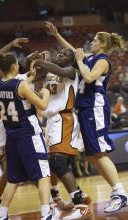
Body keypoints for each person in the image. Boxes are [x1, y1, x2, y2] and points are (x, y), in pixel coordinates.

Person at [45, 21, 128, 213]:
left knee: (98, 152)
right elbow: (74, 51)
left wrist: (81, 61)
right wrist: (57, 35)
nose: (91, 42)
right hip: (85, 109)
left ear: (103, 45)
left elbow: (89, 77)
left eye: (95, 41)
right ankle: (118, 192)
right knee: (91, 156)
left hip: (95, 108)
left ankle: (120, 193)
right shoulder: (90, 58)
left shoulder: (103, 60)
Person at [0, 50, 62, 220]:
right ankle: (46, 213)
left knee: (13, 178)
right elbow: (43, 105)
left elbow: (17, 88)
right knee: (44, 174)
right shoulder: (21, 86)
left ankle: (2, 214)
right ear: (15, 66)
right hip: (29, 135)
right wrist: (45, 92)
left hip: (12, 137)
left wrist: (31, 76)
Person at [32, 48, 92, 220]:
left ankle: (80, 206)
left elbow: (59, 70)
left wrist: (43, 60)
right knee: (49, 165)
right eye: (59, 53)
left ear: (71, 61)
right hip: (50, 120)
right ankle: (60, 200)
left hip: (64, 118)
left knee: (58, 162)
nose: (60, 54)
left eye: (65, 54)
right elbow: (32, 76)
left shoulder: (70, 71)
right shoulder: (48, 71)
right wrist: (37, 63)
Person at [0, 38, 30, 220]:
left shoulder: (24, 79)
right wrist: (11, 44)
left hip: (21, 126)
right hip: (3, 125)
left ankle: (51, 201)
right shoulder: (0, 80)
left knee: (16, 168)